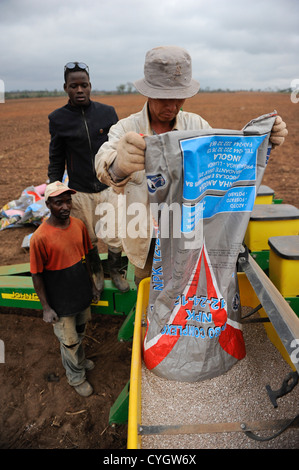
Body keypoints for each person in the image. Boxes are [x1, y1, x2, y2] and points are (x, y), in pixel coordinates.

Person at [95, 45, 288, 285]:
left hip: (190, 239)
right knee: (149, 303)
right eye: (165, 99)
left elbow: (225, 162)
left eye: (179, 98)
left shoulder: (197, 126)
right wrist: (119, 165)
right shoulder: (126, 129)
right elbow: (104, 165)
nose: (173, 107)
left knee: (189, 297)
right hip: (146, 243)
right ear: (148, 92)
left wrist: (262, 142)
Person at [48, 61, 129, 293]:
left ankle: (115, 271)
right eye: (74, 86)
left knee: (114, 234)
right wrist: (53, 188)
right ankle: (95, 271)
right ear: (66, 88)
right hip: (80, 191)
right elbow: (56, 157)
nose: (80, 90)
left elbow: (118, 149)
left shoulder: (107, 113)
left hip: (108, 187)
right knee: (88, 237)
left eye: (84, 85)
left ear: (90, 86)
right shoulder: (58, 119)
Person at [30, 181, 101, 397]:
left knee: (80, 332)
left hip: (80, 293)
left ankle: (79, 360)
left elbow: (85, 259)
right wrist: (46, 307)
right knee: (68, 341)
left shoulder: (78, 225)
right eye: (58, 202)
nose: (65, 206)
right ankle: (76, 377)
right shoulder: (40, 237)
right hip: (60, 302)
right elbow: (37, 274)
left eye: (68, 201)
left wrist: (92, 286)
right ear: (48, 205)